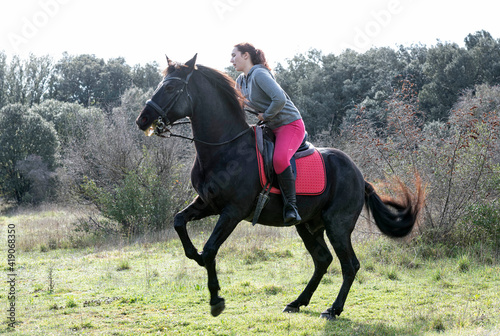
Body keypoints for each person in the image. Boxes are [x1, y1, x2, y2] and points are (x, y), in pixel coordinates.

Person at [230, 42, 305, 226]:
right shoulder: (241, 80)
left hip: (290, 125)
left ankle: (291, 208)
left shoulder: (259, 74)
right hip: (270, 127)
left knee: (279, 159)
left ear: (246, 55)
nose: (231, 60)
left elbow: (279, 99)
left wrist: (266, 115)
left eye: (234, 55)